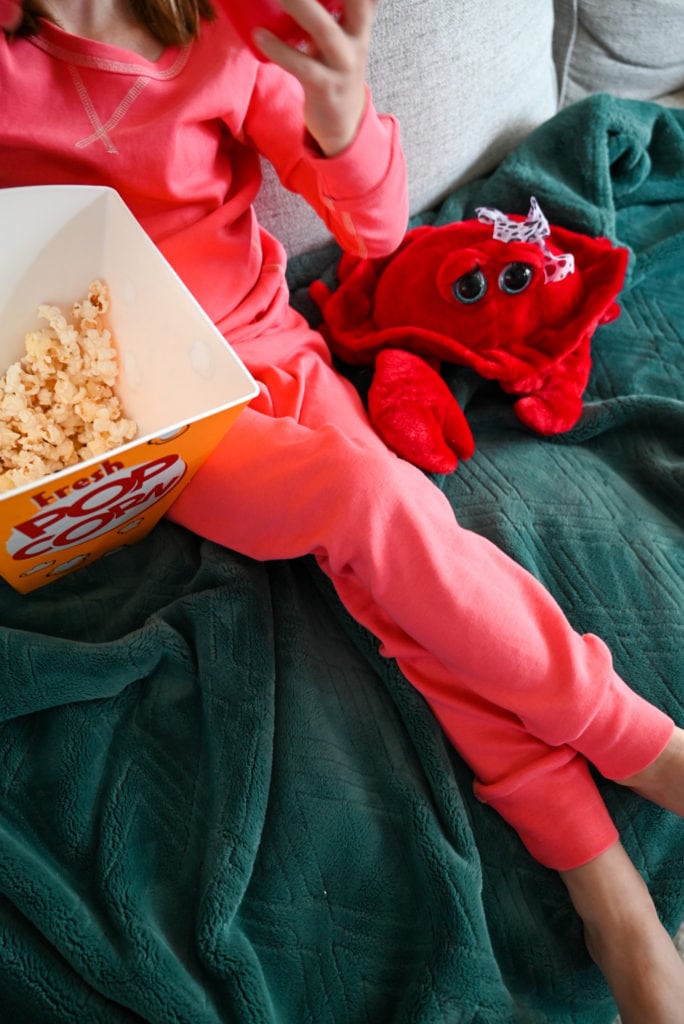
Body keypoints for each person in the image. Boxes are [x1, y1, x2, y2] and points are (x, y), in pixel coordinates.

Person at [1, 2, 683, 1020]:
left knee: (413, 571)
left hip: (274, 347)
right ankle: (640, 743)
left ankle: (603, 884)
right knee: (369, 502)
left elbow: (374, 229)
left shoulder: (228, 30)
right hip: (158, 410)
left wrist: (345, 113)